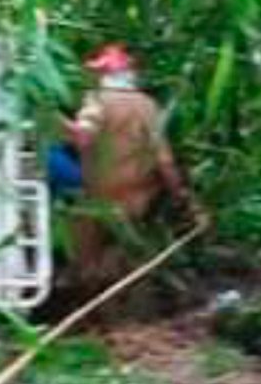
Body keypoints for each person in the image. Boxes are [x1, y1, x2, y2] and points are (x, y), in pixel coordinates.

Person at [62, 43, 204, 292]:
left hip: (96, 198)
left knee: (86, 265)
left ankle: (92, 301)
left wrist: (48, 117)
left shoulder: (96, 101)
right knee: (127, 259)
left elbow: (83, 135)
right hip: (138, 200)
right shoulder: (147, 106)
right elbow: (164, 161)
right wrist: (180, 195)